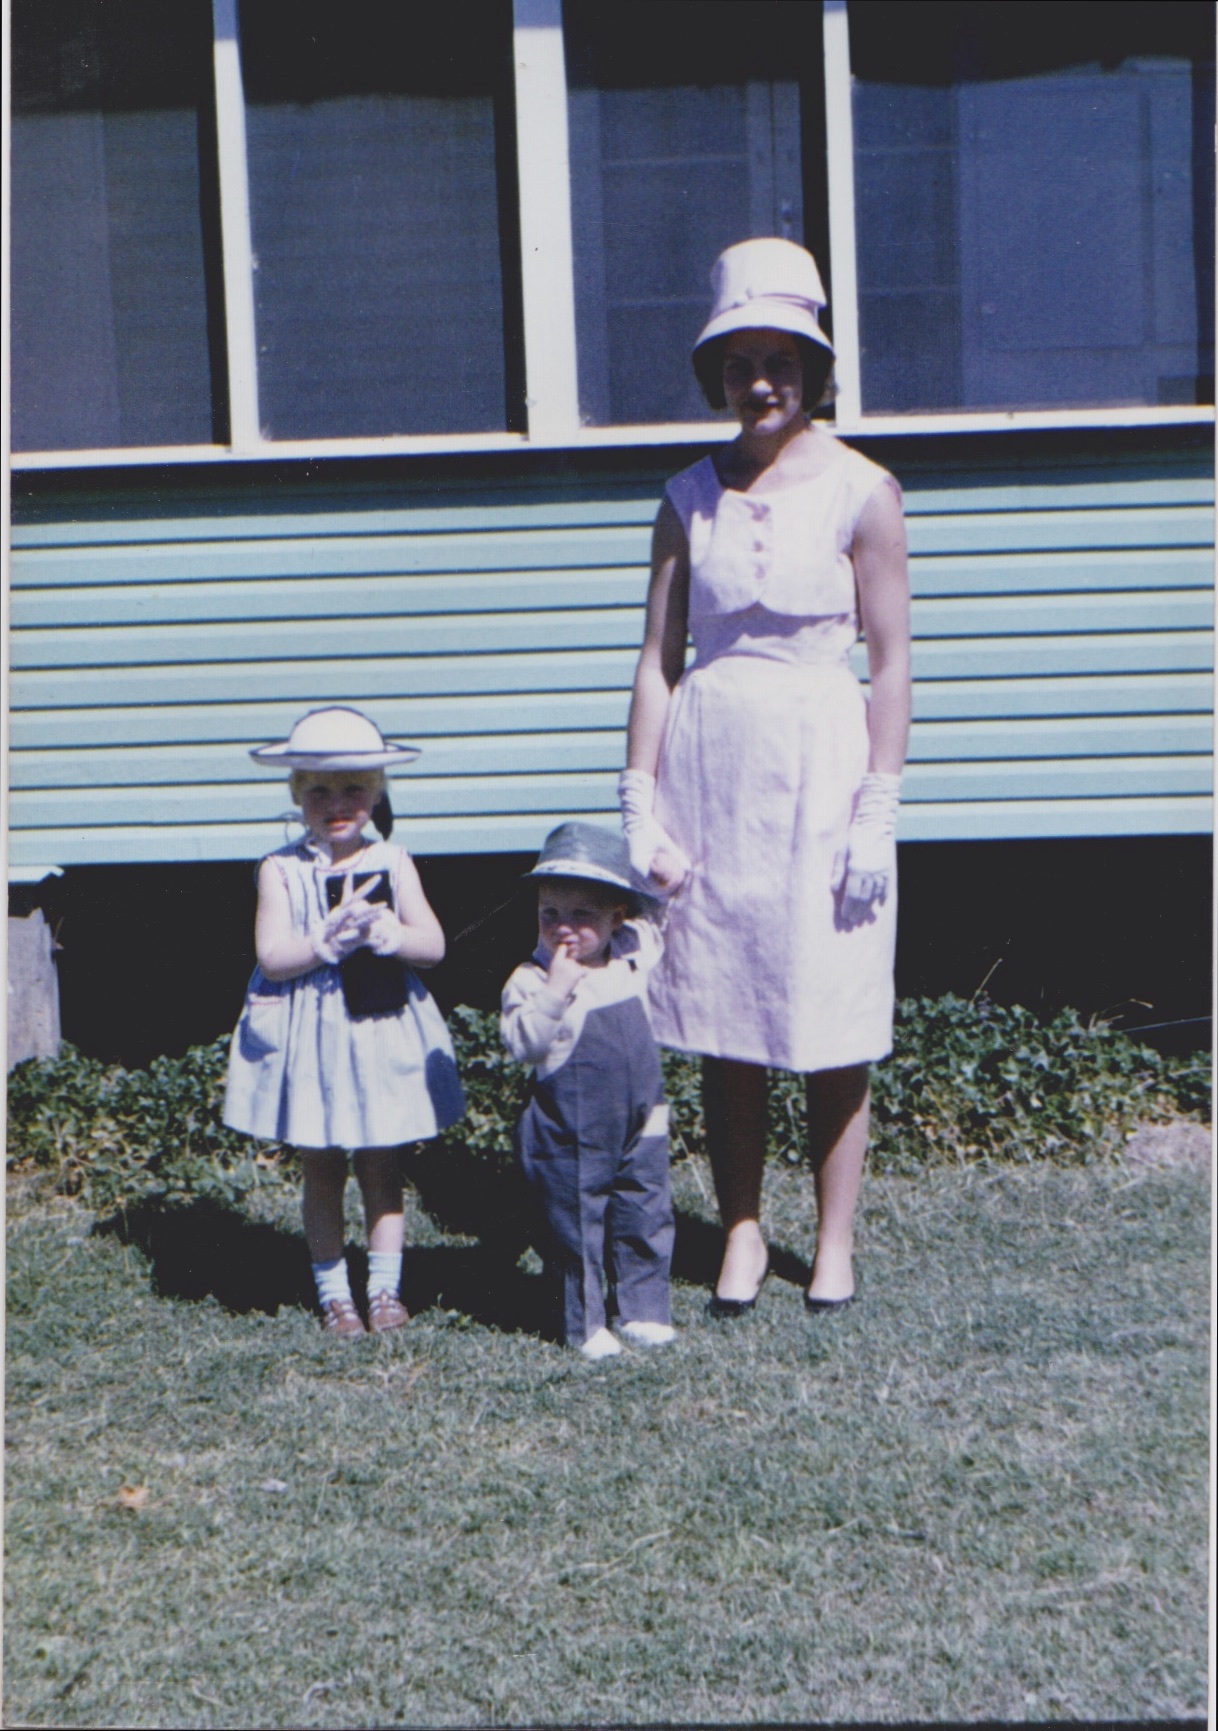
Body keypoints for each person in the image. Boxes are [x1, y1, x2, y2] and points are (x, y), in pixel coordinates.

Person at [618, 237, 911, 1316]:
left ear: (812, 367)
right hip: (711, 766)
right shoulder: (687, 496)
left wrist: (877, 810)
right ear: (716, 374)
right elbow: (657, 664)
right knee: (725, 1011)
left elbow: (889, 665)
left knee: (830, 1013)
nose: (761, 382)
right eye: (740, 361)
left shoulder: (864, 491)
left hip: (822, 767)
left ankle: (832, 1243)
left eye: (781, 359)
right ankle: (740, 1230)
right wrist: (638, 804)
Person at [224, 706, 465, 1338]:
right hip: (313, 1033)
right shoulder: (280, 869)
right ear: (297, 795)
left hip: (380, 1025)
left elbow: (433, 946)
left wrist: (389, 934)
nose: (338, 803)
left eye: (355, 789)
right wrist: (322, 943)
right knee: (323, 1162)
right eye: (320, 790)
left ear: (377, 794)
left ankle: (384, 1290)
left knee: (382, 1161)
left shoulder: (394, 861)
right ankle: (335, 1295)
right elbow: (274, 958)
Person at [500, 822, 675, 1361]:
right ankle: (583, 1321)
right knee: (575, 1223)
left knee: (644, 1209)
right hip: (569, 1130)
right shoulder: (531, 979)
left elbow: (657, 922)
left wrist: (659, 886)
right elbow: (523, 1044)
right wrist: (555, 990)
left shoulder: (628, 957)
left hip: (640, 1120)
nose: (564, 929)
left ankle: (643, 1307)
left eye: (583, 915)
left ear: (615, 918)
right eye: (551, 913)